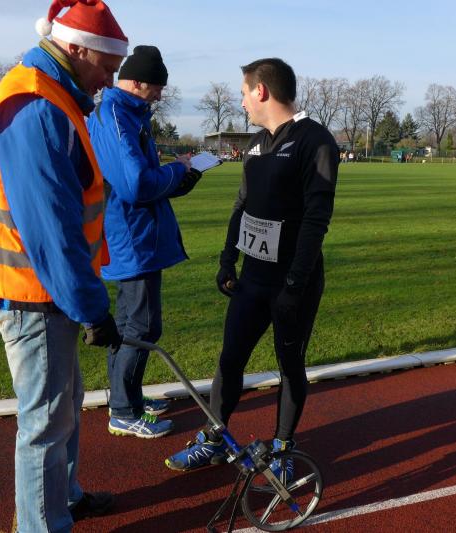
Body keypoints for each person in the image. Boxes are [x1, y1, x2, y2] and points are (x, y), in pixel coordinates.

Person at [0, 1, 128, 531]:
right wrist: (91, 308)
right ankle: (44, 524)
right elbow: (52, 233)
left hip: (42, 289)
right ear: (78, 49)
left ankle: (63, 498)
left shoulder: (54, 95)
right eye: (107, 66)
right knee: (45, 420)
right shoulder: (37, 106)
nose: (109, 80)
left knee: (64, 405)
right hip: (32, 292)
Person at [165, 58, 339, 473]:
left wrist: (295, 284)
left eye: (243, 93)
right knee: (230, 359)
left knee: (289, 365)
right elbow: (242, 205)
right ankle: (214, 438)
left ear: (261, 91)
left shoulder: (316, 141)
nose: (242, 101)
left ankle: (283, 449)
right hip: (252, 279)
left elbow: (316, 220)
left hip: (293, 282)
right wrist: (228, 259)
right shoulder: (257, 143)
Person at [87, 45, 202, 439]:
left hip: (133, 234)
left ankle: (126, 398)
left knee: (126, 326)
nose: (161, 94)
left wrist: (181, 177)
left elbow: (143, 180)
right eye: (157, 86)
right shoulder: (117, 116)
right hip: (132, 238)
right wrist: (177, 170)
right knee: (143, 326)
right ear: (136, 82)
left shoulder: (128, 113)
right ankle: (124, 410)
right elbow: (136, 185)